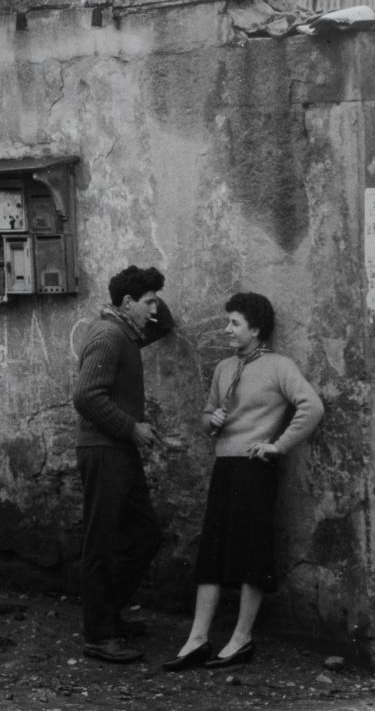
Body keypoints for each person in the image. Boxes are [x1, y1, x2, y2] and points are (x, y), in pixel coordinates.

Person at [168, 291, 323, 670]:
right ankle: (198, 639)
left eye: (234, 323)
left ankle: (241, 639)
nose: (227, 329)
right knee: (212, 553)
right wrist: (212, 421)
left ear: (255, 328)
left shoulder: (279, 366)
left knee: (252, 552)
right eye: (228, 322)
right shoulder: (223, 368)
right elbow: (206, 416)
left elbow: (312, 406)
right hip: (225, 468)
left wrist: (278, 446)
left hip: (256, 470)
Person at [73, 264, 173, 663]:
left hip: (118, 449)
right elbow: (86, 397)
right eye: (148, 301)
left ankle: (109, 616)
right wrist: (131, 428)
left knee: (145, 535)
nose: (154, 308)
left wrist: (146, 285)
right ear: (127, 303)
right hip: (103, 448)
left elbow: (163, 324)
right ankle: (98, 635)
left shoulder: (129, 331)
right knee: (102, 542)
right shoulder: (110, 335)